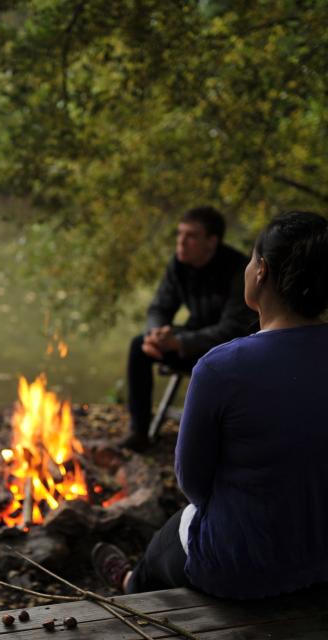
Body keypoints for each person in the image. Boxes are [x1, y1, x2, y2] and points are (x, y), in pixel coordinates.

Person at [93, 211, 328, 599]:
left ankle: (129, 584)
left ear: (261, 272)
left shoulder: (222, 369)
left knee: (167, 539)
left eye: (253, 260)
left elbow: (194, 483)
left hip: (245, 570)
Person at [120, 206, 256, 452]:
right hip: (190, 341)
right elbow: (159, 307)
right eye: (179, 234)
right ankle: (139, 432)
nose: (181, 242)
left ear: (211, 242)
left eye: (191, 236)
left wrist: (180, 343)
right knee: (138, 346)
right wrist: (156, 334)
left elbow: (233, 329)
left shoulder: (238, 269)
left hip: (227, 351)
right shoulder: (178, 264)